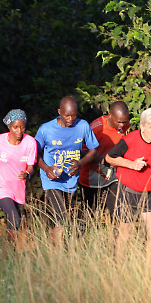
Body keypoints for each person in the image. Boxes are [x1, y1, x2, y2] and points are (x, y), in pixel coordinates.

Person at [105, 107, 151, 261]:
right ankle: (119, 266)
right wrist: (131, 164)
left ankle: (149, 268)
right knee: (126, 232)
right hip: (129, 191)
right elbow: (109, 158)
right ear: (143, 127)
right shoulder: (129, 140)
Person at [35, 96, 99, 240]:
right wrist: (46, 169)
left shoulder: (82, 126)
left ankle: (52, 246)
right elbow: (33, 153)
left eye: (74, 115)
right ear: (59, 112)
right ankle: (59, 254)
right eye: (67, 115)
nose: (71, 119)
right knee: (62, 215)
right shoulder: (46, 129)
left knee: (60, 216)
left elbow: (93, 151)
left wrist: (80, 163)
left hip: (71, 179)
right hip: (51, 179)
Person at [0, 109, 37, 234]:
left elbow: (31, 167)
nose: (19, 131)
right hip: (2, 187)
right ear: (9, 126)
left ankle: (10, 250)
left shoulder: (30, 142)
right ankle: (9, 247)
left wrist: (27, 173)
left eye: (22, 127)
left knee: (15, 222)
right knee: (15, 219)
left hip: (19, 189)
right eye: (15, 127)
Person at [78, 101, 131, 213]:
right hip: (91, 175)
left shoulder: (124, 124)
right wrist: (103, 160)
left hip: (112, 175)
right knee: (90, 212)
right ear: (110, 115)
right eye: (119, 122)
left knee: (117, 209)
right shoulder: (97, 129)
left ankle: (116, 229)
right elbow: (82, 151)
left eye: (124, 122)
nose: (122, 125)